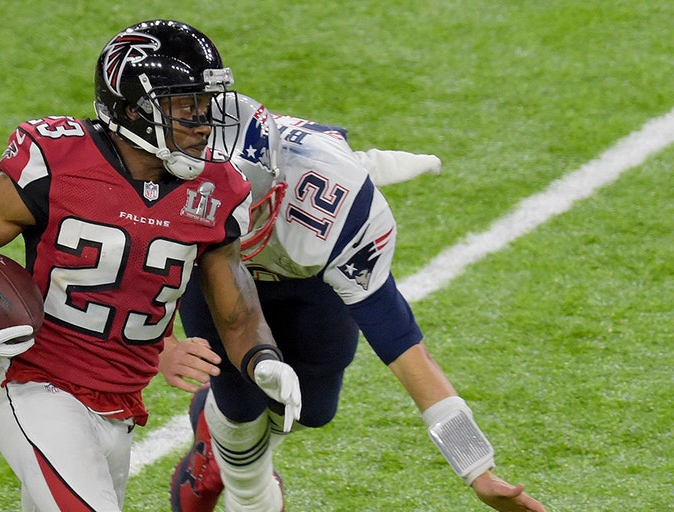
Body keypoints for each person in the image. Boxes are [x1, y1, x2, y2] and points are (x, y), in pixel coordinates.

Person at [0, 20, 302, 512]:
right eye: (185, 106)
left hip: (120, 406)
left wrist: (264, 360)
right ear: (133, 109)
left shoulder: (218, 190)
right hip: (38, 389)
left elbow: (236, 310)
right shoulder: (57, 161)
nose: (202, 122)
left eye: (204, 104)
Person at [163, 94, 547, 511]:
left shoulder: (335, 210)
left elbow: (401, 343)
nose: (230, 230)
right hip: (210, 274)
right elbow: (119, 284)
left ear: (275, 191)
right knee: (239, 404)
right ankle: (248, 490)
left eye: (242, 213)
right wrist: (165, 348)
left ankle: (214, 427)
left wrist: (477, 468)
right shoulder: (161, 186)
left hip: (304, 273)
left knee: (312, 408)